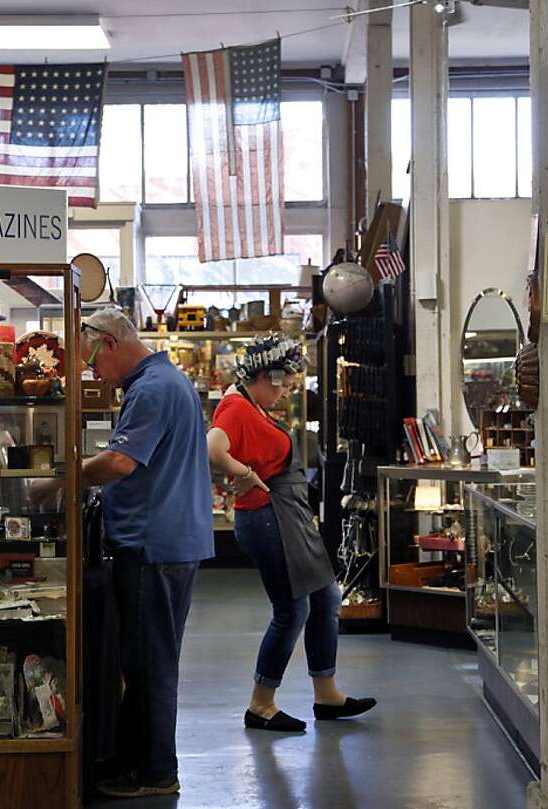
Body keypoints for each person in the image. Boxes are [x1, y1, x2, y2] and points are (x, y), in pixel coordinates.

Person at [207, 335, 376, 732]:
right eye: (280, 384)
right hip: (269, 518)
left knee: (325, 597)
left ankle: (327, 693)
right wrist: (245, 473)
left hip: (286, 515)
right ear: (262, 376)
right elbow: (212, 448)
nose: (284, 392)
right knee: (291, 610)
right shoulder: (235, 407)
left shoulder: (255, 407)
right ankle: (260, 704)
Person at [79, 307, 214, 798]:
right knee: (145, 657)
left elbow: (119, 460)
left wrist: (64, 477)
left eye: (92, 361)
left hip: (155, 543)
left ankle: (155, 770)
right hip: (165, 538)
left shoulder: (153, 389)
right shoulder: (158, 381)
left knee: (149, 660)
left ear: (109, 343)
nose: (93, 372)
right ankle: (136, 757)